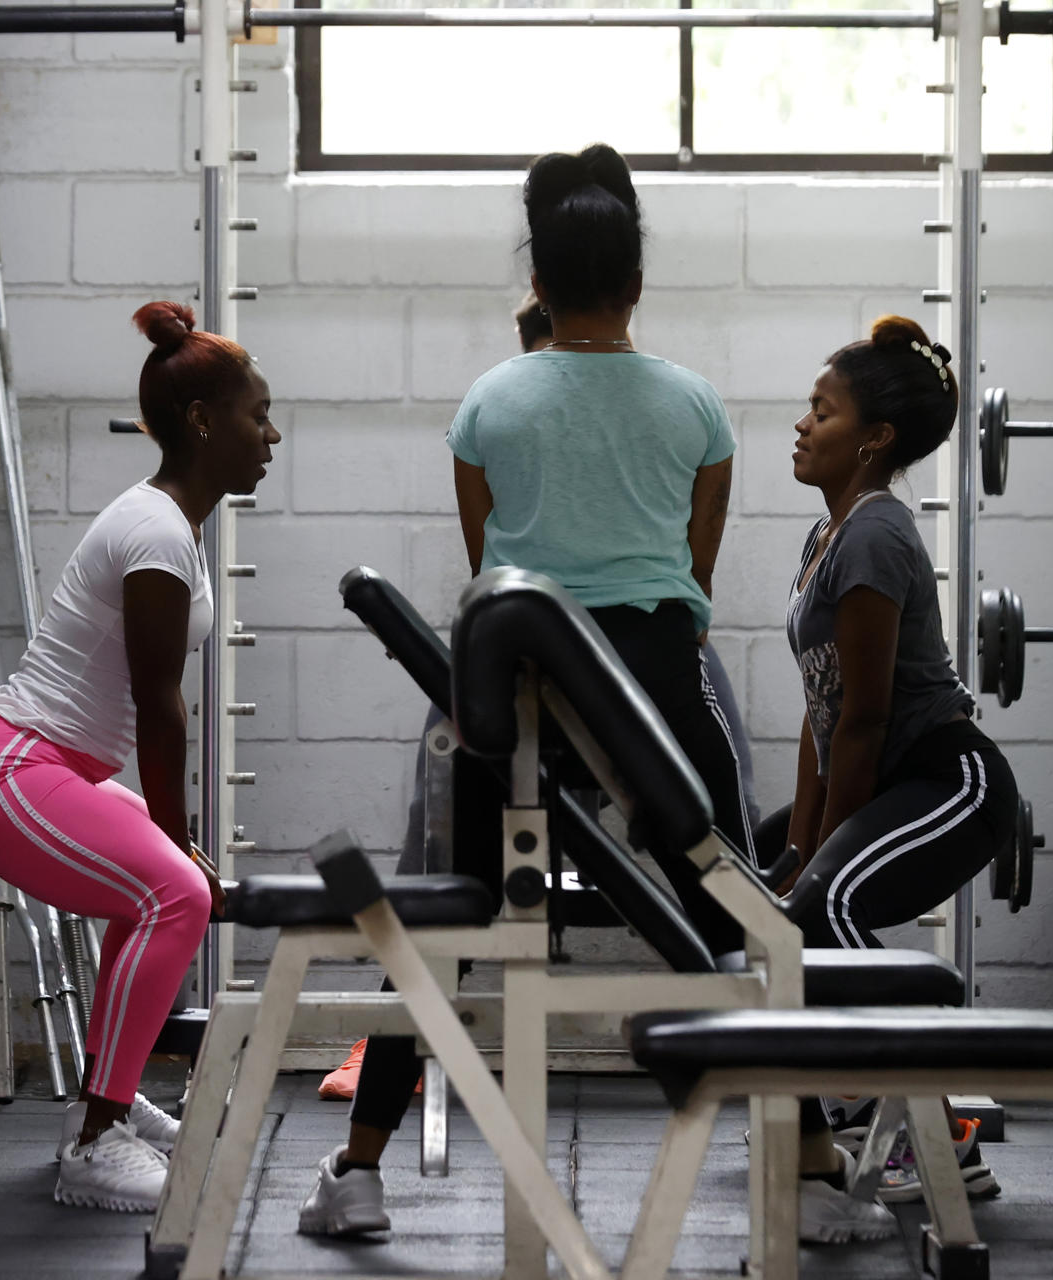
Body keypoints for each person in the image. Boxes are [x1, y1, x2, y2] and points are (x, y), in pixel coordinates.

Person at [298, 144, 749, 1239]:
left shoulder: (488, 403)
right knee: (745, 917)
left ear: (535, 285)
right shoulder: (698, 408)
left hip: (518, 707)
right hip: (658, 706)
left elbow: (493, 576)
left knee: (438, 924)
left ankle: (358, 1168)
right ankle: (819, 1159)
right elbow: (692, 585)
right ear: (637, 283)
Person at [0, 302, 277, 1215]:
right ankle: (94, 1144)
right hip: (1, 768)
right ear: (203, 421)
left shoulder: (177, 525)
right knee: (177, 890)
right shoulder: (157, 531)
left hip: (47, 767)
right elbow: (160, 712)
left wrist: (171, 840)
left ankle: (107, 1105)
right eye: (257, 413)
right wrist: (179, 837)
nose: (271, 434)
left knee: (157, 888)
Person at [770, 315, 1020, 1234]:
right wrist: (797, 844)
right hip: (884, 768)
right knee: (763, 886)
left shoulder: (876, 534)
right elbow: (821, 710)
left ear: (874, 438)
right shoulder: (823, 540)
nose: (802, 425)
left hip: (952, 782)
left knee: (822, 906)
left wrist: (821, 854)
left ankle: (933, 1125)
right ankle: (841, 1094)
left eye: (822, 411)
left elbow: (869, 720)